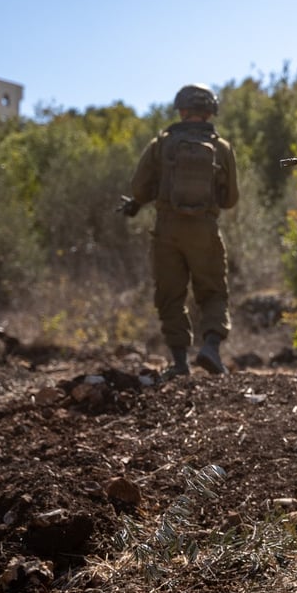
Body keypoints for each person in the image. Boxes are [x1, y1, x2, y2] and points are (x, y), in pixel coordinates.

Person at [121, 84, 239, 378]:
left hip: (167, 231)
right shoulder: (222, 148)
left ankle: (180, 362)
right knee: (212, 293)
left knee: (170, 296)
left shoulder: (161, 144)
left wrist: (137, 203)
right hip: (205, 231)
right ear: (210, 110)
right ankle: (210, 347)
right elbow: (230, 199)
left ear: (181, 110)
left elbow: (139, 188)